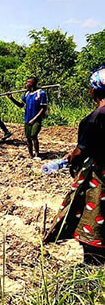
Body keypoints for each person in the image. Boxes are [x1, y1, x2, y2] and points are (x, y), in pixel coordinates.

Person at [44, 66, 105, 264]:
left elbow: (82, 151)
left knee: (92, 216)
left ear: (94, 91)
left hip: (98, 176)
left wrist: (69, 160)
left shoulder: (95, 118)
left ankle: (93, 263)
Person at [7, 77, 48, 159]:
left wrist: (34, 119)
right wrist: (11, 98)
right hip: (27, 119)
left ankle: (37, 153)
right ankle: (30, 154)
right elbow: (21, 105)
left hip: (36, 119)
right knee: (28, 138)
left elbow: (43, 108)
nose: (26, 84)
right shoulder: (27, 94)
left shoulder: (41, 93)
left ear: (32, 83)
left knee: (34, 135)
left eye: (28, 82)